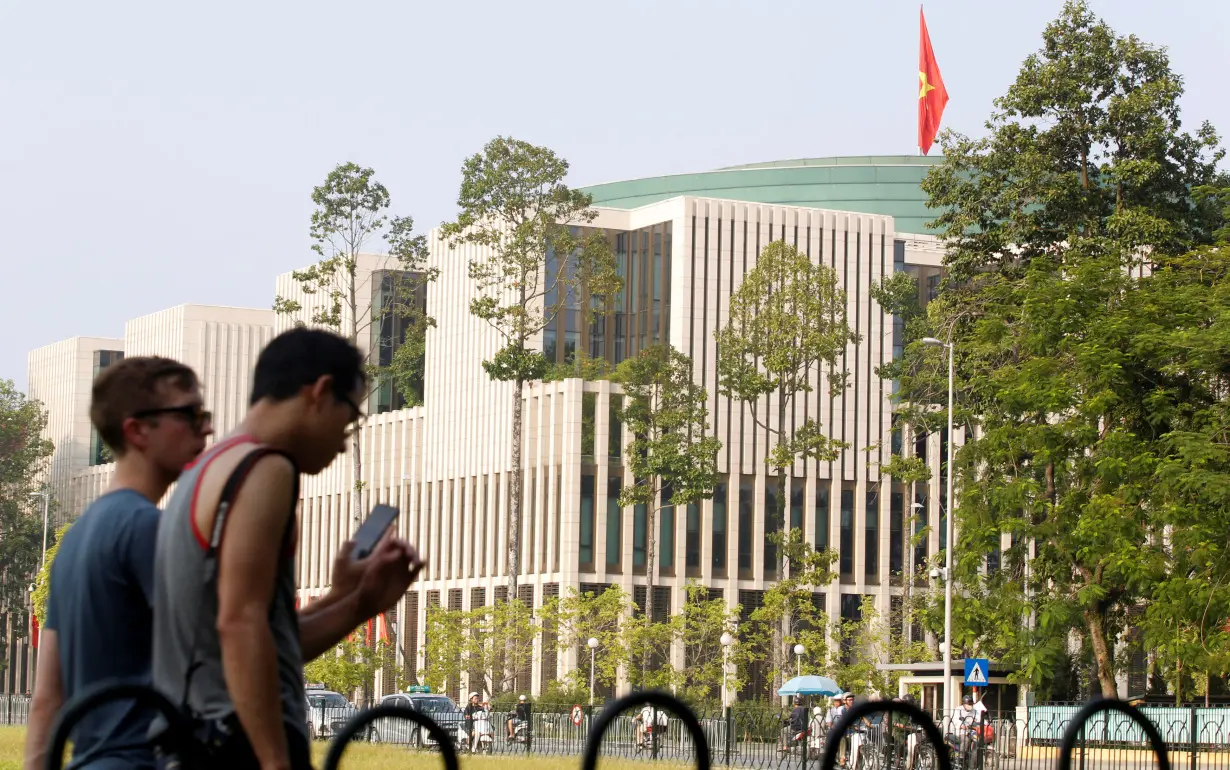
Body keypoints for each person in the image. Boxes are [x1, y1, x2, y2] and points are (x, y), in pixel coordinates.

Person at [150, 327, 425, 770]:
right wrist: (276, 761)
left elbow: (263, 642)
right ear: (319, 392)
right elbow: (240, 624)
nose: (343, 440)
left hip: (190, 738)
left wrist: (353, 602)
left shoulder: (207, 468)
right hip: (233, 744)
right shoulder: (265, 469)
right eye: (349, 417)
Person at [23, 357, 213, 770]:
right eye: (190, 414)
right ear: (137, 430)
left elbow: (46, 698)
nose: (207, 427)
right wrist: (351, 603)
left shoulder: (75, 539)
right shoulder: (146, 529)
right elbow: (228, 649)